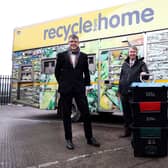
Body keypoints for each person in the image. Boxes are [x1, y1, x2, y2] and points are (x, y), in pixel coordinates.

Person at [55, 34, 100, 149]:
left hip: (80, 89)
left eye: (75, 41)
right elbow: (56, 72)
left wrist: (87, 85)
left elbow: (86, 72)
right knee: (66, 115)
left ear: (78, 42)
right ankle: (68, 139)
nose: (73, 43)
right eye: (71, 41)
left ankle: (90, 138)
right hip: (66, 90)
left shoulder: (84, 56)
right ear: (68, 43)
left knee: (86, 113)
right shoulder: (61, 56)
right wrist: (62, 83)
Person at [118, 46, 149, 137]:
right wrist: (119, 90)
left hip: (134, 93)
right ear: (129, 53)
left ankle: (135, 133)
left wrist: (144, 74)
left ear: (136, 53)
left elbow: (146, 75)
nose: (132, 53)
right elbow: (121, 78)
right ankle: (127, 132)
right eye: (131, 52)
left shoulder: (141, 64)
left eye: (134, 52)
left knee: (135, 113)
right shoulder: (125, 64)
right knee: (126, 113)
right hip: (124, 92)